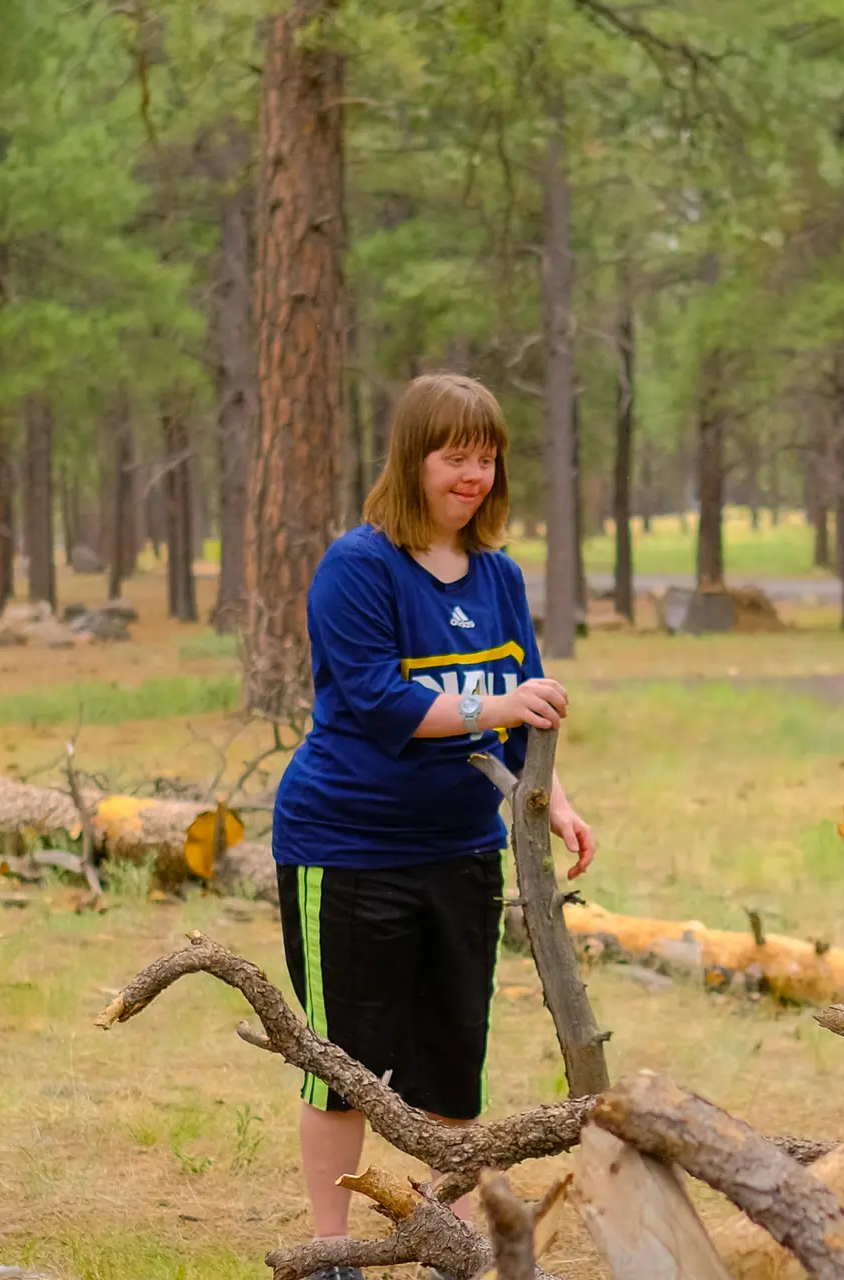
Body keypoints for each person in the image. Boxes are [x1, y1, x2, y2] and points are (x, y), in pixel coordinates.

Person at [271, 372, 597, 1280]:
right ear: (412, 459)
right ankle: (330, 1254)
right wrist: (499, 697)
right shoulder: (359, 566)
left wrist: (553, 800)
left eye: (487, 457)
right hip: (347, 847)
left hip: (462, 850)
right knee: (346, 1063)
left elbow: (526, 712)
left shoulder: (499, 575)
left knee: (453, 1063)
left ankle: (433, 1237)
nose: (473, 474)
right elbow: (382, 702)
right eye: (455, 456)